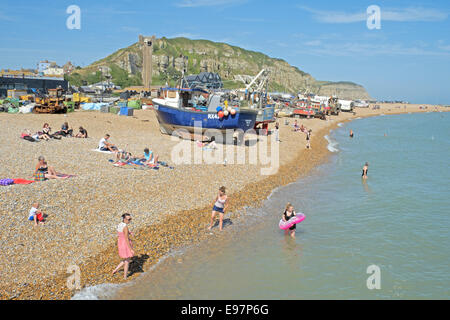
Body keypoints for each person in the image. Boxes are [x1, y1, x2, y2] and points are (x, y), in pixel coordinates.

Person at [112, 213, 135, 279]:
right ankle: (125, 277)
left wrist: (129, 232)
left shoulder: (120, 224)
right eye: (128, 219)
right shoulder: (125, 227)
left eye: (130, 219)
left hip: (120, 242)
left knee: (126, 259)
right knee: (127, 261)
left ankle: (115, 270)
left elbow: (121, 232)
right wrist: (130, 249)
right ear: (124, 219)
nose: (130, 221)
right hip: (125, 244)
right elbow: (126, 238)